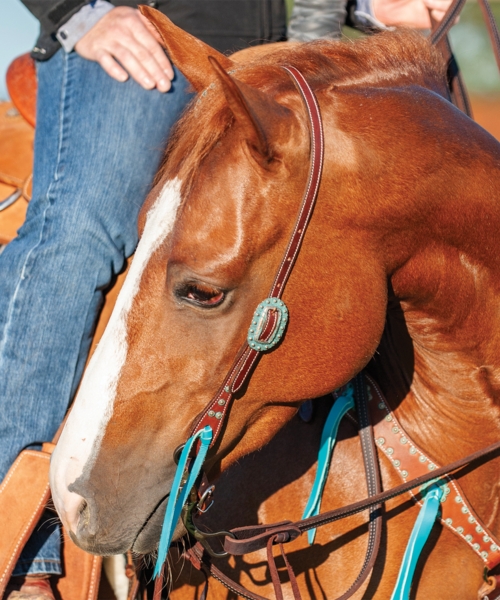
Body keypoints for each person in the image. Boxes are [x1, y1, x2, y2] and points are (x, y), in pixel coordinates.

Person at [0, 1, 451, 599]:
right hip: (141, 44)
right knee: (80, 232)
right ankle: (20, 548)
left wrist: (366, 5)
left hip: (294, 56)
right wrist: (81, 14)